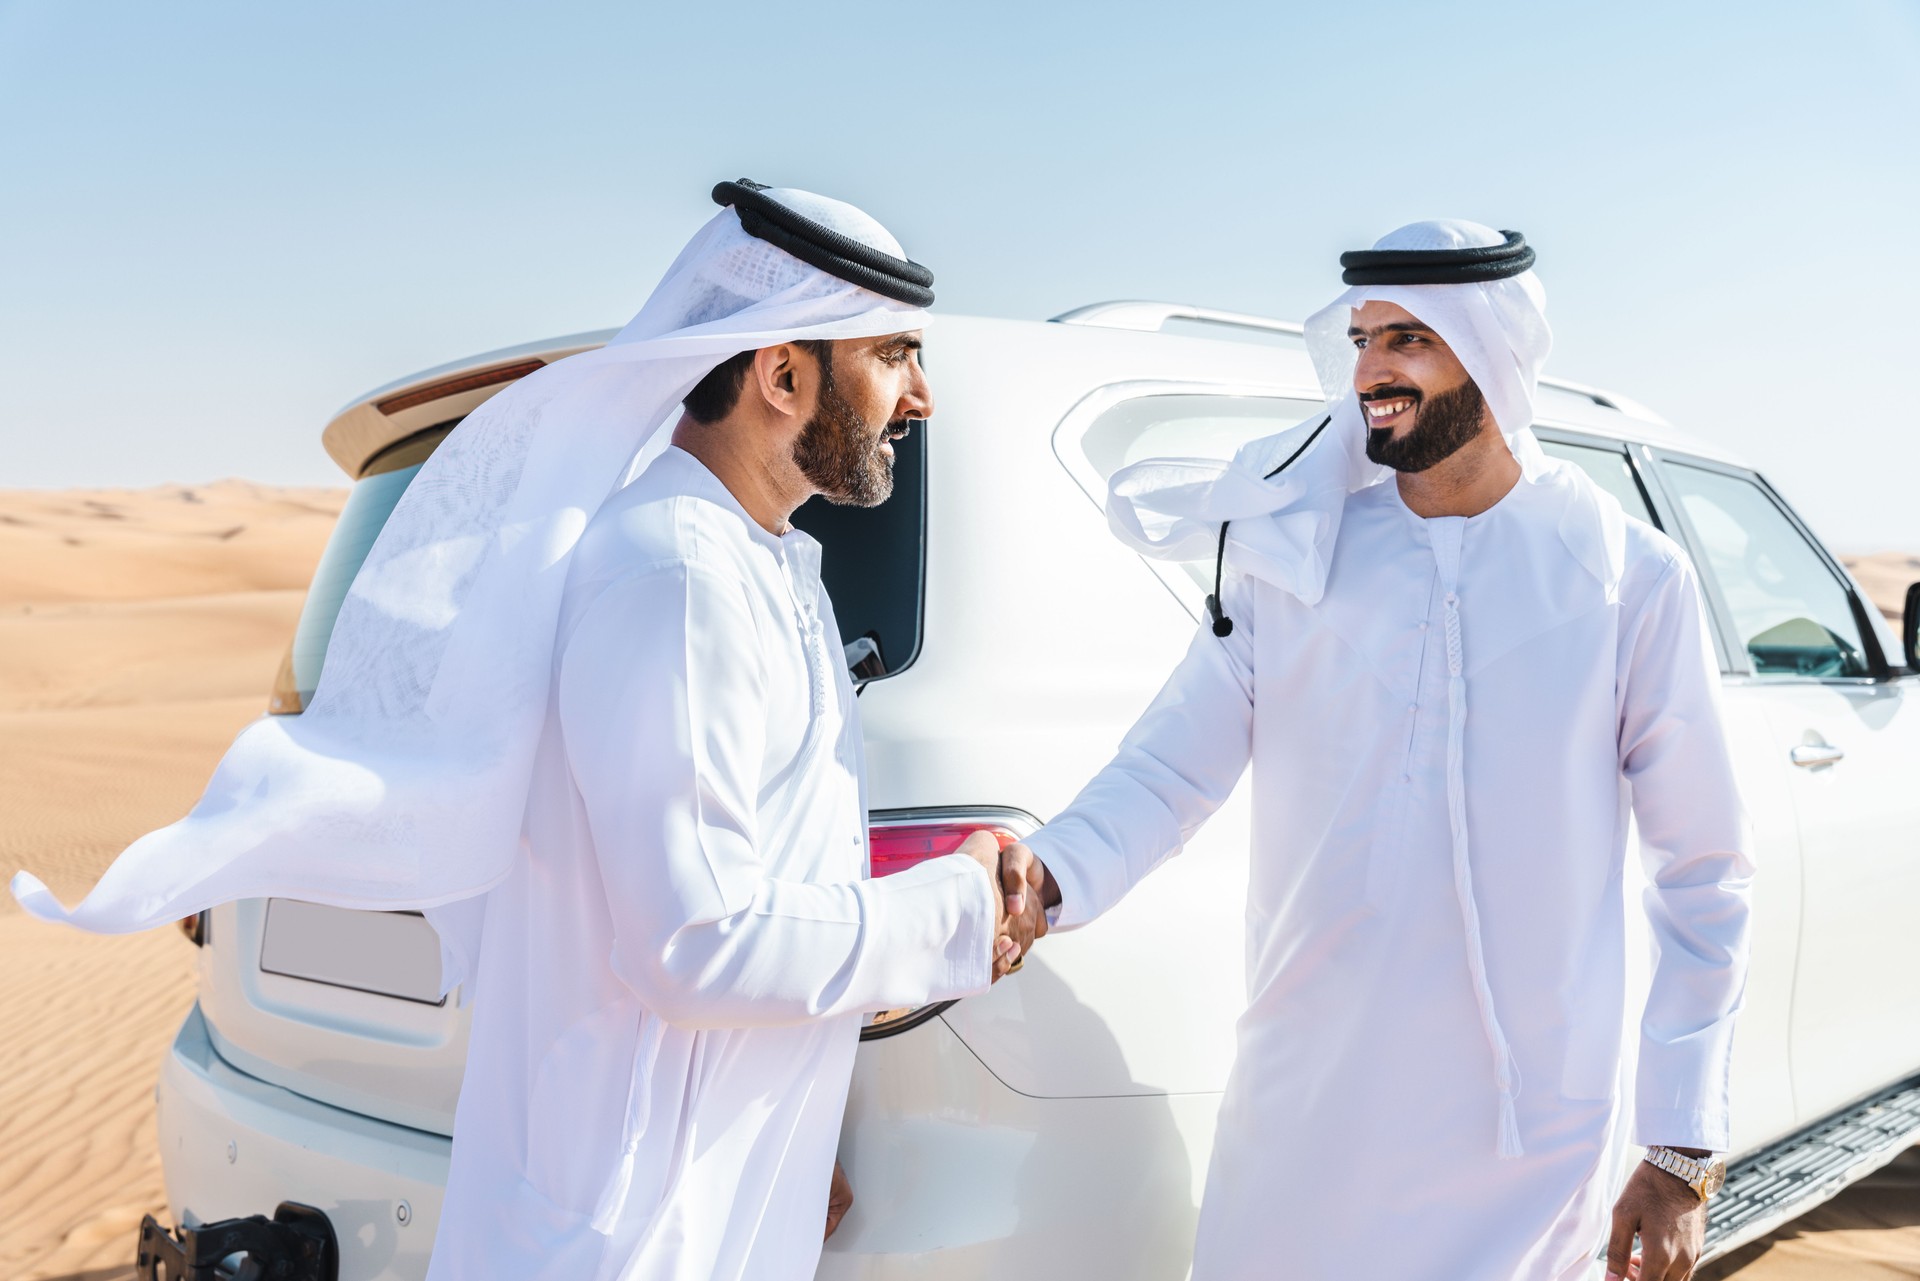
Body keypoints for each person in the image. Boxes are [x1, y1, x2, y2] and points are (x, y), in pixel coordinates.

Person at [12, 180, 1042, 1280]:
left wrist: (788, 1114)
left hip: (693, 1176)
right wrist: (960, 908)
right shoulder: (673, 577)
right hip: (634, 1224)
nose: (920, 395)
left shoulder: (756, 564)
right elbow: (697, 944)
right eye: (892, 355)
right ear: (783, 374)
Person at [1008, 222, 1753, 1281]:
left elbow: (1703, 870)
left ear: (1493, 354)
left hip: (1527, 1130)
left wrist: (1680, 1147)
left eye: (1409, 339)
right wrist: (1045, 877)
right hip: (1307, 1112)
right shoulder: (1292, 555)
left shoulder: (1625, 576)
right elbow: (1169, 771)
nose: (1369, 372)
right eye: (1362, 340)